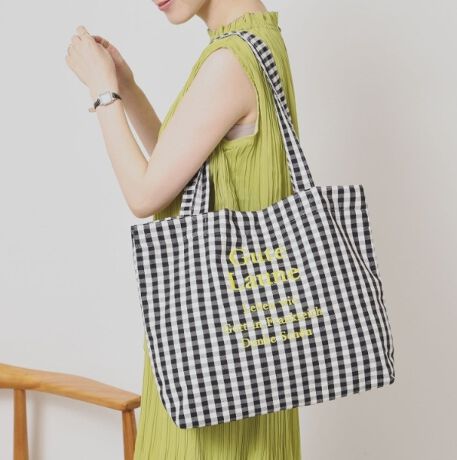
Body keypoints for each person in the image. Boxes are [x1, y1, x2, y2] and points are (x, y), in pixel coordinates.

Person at [65, 1, 302, 458]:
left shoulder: (230, 60)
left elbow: (144, 195)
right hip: (249, 347)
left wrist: (103, 92)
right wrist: (128, 88)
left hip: (213, 359)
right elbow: (182, 172)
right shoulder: (260, 41)